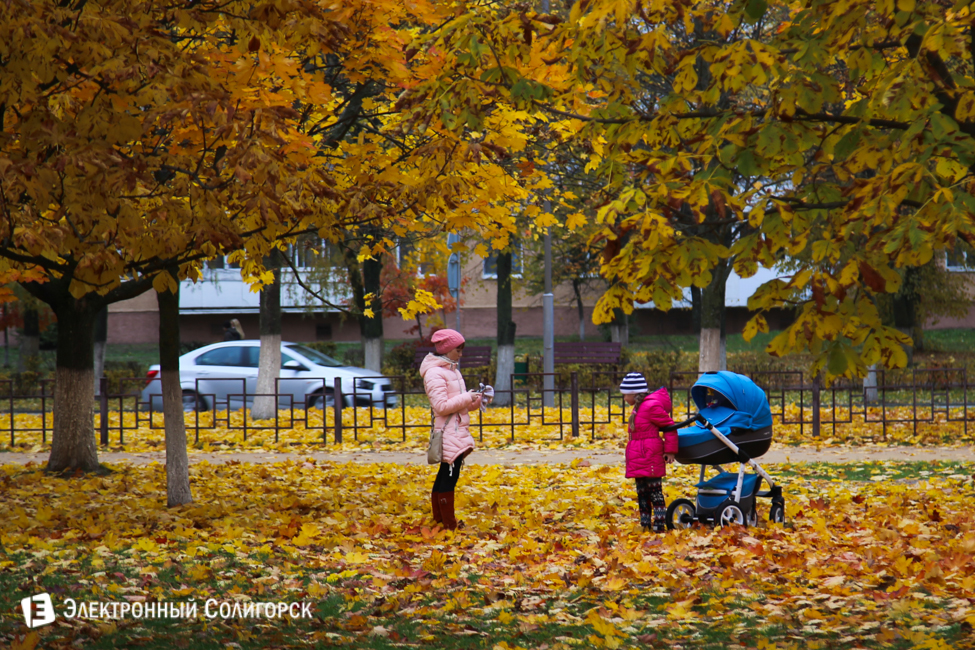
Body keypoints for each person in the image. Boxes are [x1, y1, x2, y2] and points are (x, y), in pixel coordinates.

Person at [419, 328, 483, 530]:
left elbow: (458, 404)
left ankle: (441, 521)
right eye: (458, 350)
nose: (461, 354)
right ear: (447, 350)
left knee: (446, 473)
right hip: (448, 431)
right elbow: (441, 406)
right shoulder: (434, 373)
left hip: (457, 429)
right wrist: (466, 397)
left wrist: (476, 400)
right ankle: (448, 525)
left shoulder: (452, 371)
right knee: (449, 475)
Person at [620, 372, 677, 532]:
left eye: (625, 395)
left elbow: (669, 427)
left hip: (650, 456)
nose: (624, 398)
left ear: (634, 393)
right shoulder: (637, 408)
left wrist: (670, 450)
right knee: (642, 492)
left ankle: (659, 523)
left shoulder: (651, 407)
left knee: (655, 491)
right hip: (639, 456)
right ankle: (645, 523)